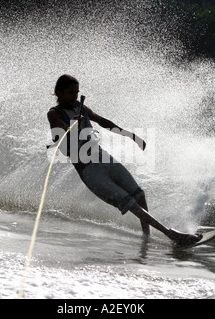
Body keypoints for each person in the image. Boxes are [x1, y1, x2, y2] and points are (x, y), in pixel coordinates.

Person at [47, 74, 201, 246]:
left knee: (139, 195)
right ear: (59, 93)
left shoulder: (80, 107)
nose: (75, 96)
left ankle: (146, 237)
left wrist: (129, 135)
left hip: (103, 157)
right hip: (88, 169)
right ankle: (171, 235)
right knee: (130, 203)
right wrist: (73, 126)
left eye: (77, 92)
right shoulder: (54, 114)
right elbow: (60, 140)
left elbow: (103, 122)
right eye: (70, 93)